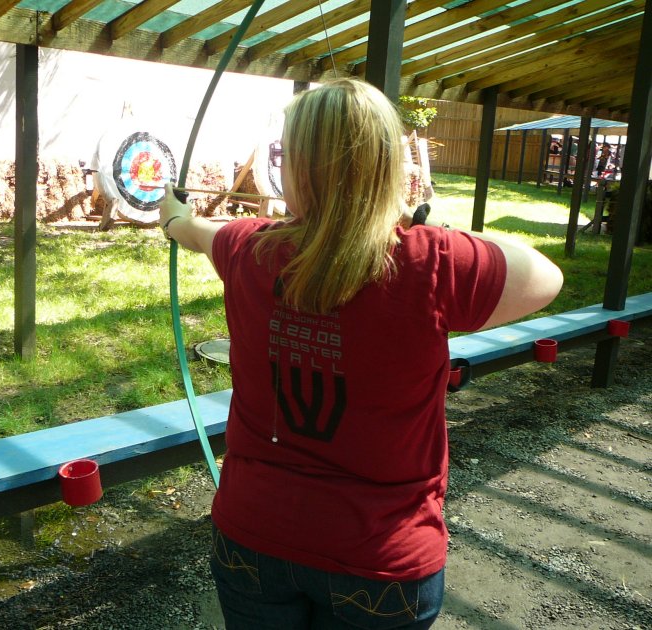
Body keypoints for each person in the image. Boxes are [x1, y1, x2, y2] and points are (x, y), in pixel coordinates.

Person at [159, 78, 563, 629]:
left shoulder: (245, 245)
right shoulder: (435, 259)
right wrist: (428, 224)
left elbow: (190, 230)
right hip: (381, 560)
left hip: (254, 536)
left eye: (286, 155)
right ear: (386, 166)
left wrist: (172, 214)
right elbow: (545, 275)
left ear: (299, 168)